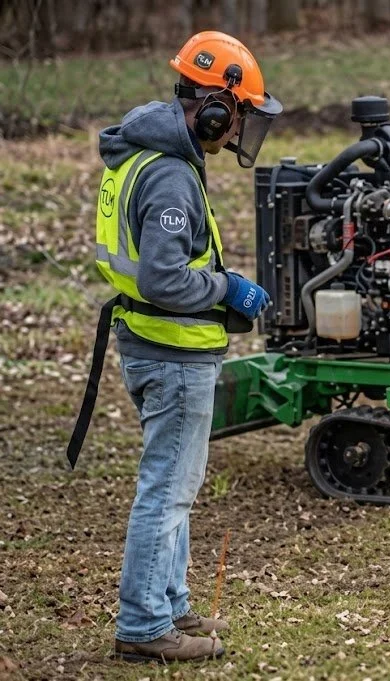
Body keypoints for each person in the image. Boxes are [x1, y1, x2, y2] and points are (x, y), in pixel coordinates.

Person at [75, 31, 281, 663]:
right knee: (167, 488)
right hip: (171, 351)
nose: (240, 128)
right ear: (214, 108)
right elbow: (164, 279)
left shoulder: (142, 156)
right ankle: (143, 627)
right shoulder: (168, 175)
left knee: (177, 485)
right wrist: (228, 288)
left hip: (152, 345)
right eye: (240, 114)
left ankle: (169, 603)